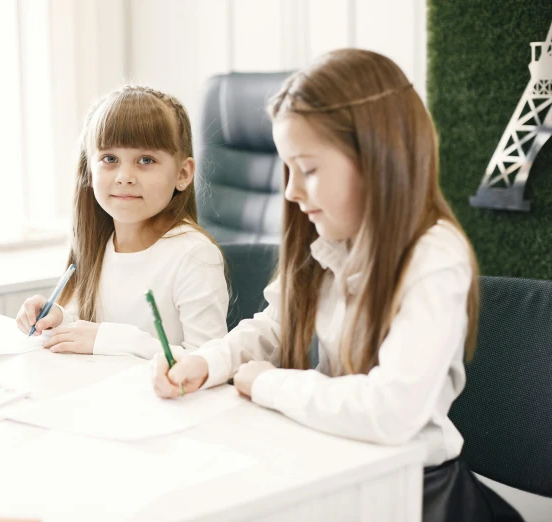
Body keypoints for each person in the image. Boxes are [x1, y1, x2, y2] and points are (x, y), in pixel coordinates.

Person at [151, 49, 523, 522]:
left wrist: (269, 383)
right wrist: (207, 361)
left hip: (413, 492)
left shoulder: (434, 257)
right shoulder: (330, 239)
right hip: (338, 464)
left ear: (377, 157)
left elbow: (391, 411)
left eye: (307, 168)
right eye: (288, 169)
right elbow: (274, 326)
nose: (290, 191)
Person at [16, 85, 228, 359]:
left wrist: (110, 338)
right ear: (89, 172)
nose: (124, 176)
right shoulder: (98, 243)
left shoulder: (195, 255)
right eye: (109, 159)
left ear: (183, 174)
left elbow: (210, 362)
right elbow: (98, 340)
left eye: (146, 159)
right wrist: (59, 321)